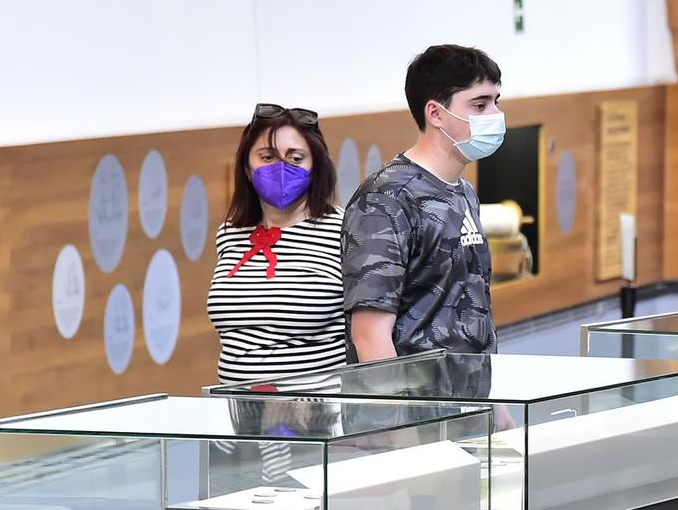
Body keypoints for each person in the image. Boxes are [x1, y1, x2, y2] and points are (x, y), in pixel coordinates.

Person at [343, 44, 502, 361]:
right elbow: (370, 337)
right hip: (419, 404)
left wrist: (496, 408)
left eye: (496, 102)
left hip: (471, 398)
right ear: (436, 114)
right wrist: (406, 410)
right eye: (480, 105)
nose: (495, 115)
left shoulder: (464, 191)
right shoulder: (385, 199)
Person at [207, 103, 346, 384]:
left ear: (315, 166)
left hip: (318, 415)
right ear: (247, 167)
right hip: (240, 413)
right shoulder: (230, 233)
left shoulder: (346, 229)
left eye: (295, 158)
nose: (281, 170)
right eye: (267, 157)